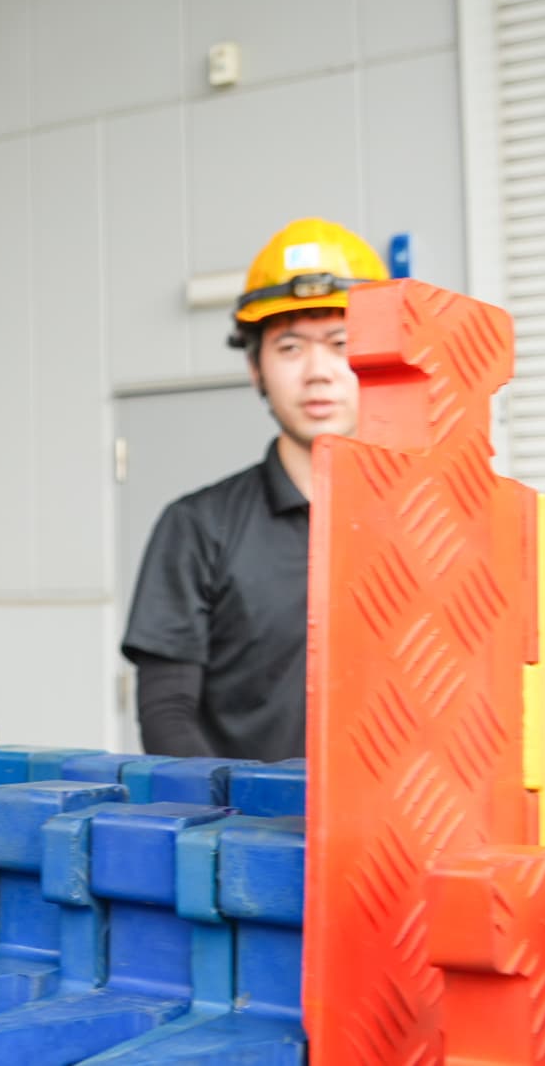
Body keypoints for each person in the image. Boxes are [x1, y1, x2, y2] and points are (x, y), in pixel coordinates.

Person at [120, 218, 384, 762]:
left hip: (405, 833)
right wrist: (234, 827)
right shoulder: (198, 527)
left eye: (342, 344)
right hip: (248, 832)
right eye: (289, 347)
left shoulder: (428, 522)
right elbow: (168, 714)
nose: (318, 372)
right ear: (254, 368)